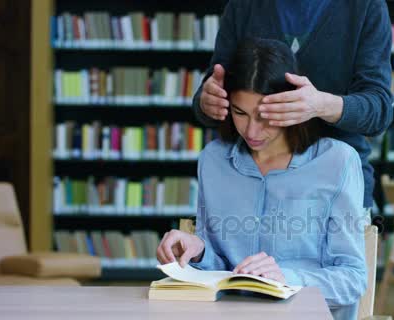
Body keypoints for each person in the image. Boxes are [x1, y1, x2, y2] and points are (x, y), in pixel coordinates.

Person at [157, 38, 367, 320]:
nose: (251, 130)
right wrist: (199, 251)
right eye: (240, 113)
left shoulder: (338, 162)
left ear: (292, 103)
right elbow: (221, 266)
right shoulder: (213, 161)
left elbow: (353, 279)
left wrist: (287, 277)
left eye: (265, 115)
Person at [193, 0, 394, 213]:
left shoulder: (366, 7)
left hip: (334, 190)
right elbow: (215, 90)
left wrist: (320, 105)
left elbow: (379, 111)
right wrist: (208, 101)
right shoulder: (242, 6)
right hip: (249, 184)